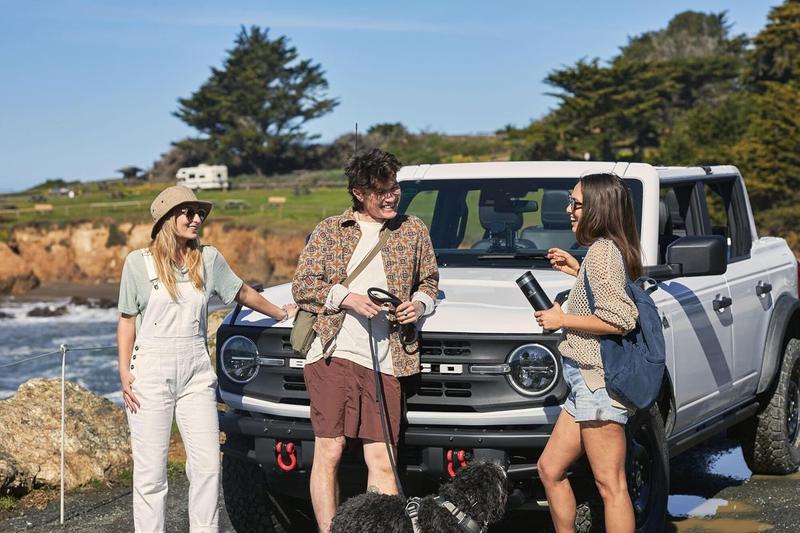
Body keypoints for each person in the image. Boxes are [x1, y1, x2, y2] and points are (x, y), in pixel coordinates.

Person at [117, 185, 297, 533]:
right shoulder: (137, 264)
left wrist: (279, 312)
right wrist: (124, 372)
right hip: (149, 376)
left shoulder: (209, 259)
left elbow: (242, 292)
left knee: (207, 468)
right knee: (151, 474)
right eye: (189, 213)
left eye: (200, 213)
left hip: (197, 375)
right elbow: (127, 320)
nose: (197, 219)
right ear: (169, 219)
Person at [292, 148, 439, 532]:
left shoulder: (413, 229)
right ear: (359, 192)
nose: (391, 196)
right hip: (333, 350)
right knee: (331, 449)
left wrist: (419, 306)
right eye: (381, 190)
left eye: (395, 188)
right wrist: (347, 297)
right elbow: (303, 285)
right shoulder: (330, 230)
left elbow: (430, 282)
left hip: (388, 358)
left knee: (383, 456)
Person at [534, 173, 640, 533]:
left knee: (611, 485)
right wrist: (576, 271)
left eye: (576, 204)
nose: (569, 210)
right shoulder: (598, 254)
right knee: (549, 469)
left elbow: (621, 318)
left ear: (598, 208)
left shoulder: (602, 253)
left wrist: (561, 318)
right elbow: (607, 298)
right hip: (583, 383)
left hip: (597, 384)